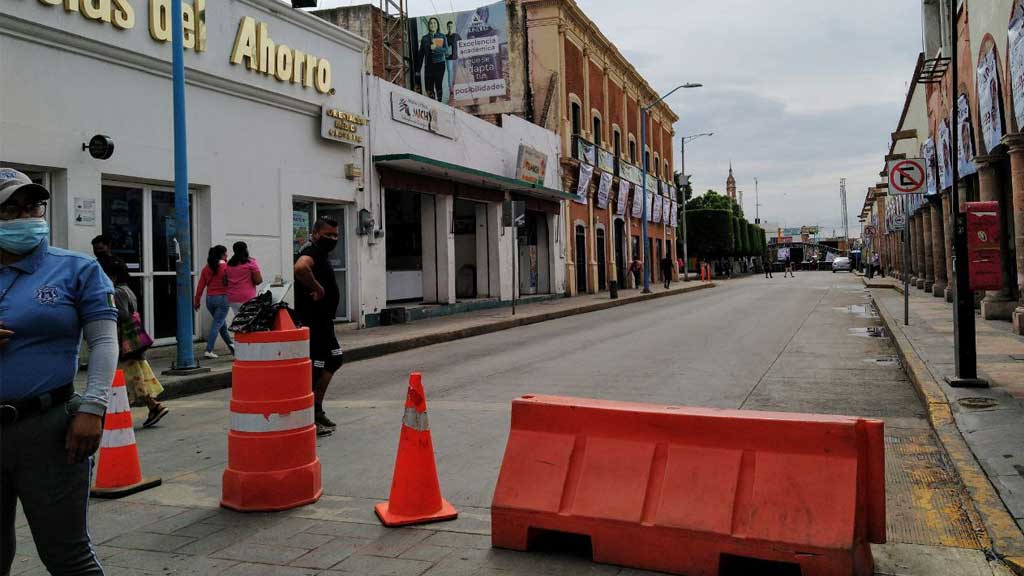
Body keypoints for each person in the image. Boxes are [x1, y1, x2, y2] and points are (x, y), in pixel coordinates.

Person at [1, 168, 118, 575]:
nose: (27, 216)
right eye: (11, 209)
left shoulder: (76, 269)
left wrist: (94, 407)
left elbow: (103, 341)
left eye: (33, 205)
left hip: (49, 427)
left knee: (67, 556)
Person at [102, 257, 168, 427]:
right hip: (131, 341)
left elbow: (122, 314)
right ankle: (151, 406)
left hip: (124, 341)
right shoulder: (127, 290)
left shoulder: (117, 292)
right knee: (135, 377)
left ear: (113, 276)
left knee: (129, 378)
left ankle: (151, 406)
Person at [294, 217, 343, 437]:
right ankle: (307, 418)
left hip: (325, 321)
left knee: (334, 359)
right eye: (328, 235)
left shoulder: (321, 254)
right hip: (314, 321)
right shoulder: (311, 251)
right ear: (315, 234)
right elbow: (300, 267)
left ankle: (317, 409)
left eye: (335, 235)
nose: (333, 239)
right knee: (316, 367)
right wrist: (317, 288)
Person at [194, 245, 234, 359]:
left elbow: (200, 287)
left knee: (222, 326)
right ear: (222, 255)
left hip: (210, 299)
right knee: (217, 325)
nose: (227, 255)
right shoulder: (225, 267)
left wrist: (196, 301)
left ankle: (233, 349)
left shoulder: (206, 268)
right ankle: (209, 350)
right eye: (225, 253)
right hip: (223, 299)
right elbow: (230, 283)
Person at [226, 241, 262, 315]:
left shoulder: (229, 264)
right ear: (246, 250)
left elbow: (225, 281)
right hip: (246, 298)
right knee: (248, 322)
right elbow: (258, 280)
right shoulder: (250, 262)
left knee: (239, 321)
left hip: (232, 298)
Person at [418, 17, 448, 102]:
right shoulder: (424, 38)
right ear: (428, 25)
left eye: (434, 23)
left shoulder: (442, 36)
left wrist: (436, 48)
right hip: (429, 65)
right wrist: (418, 69)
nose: (433, 25)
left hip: (439, 65)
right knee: (429, 88)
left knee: (438, 85)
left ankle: (439, 103)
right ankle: (433, 103)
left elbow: (446, 50)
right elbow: (421, 54)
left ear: (437, 25)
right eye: (431, 23)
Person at [445, 20, 461, 95]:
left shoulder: (457, 35)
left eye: (451, 26)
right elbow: (442, 47)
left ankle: (454, 85)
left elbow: (462, 44)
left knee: (455, 72)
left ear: (453, 27)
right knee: (449, 72)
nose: (450, 28)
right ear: (447, 27)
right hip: (448, 58)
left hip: (456, 57)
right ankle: (450, 88)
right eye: (448, 27)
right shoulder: (445, 37)